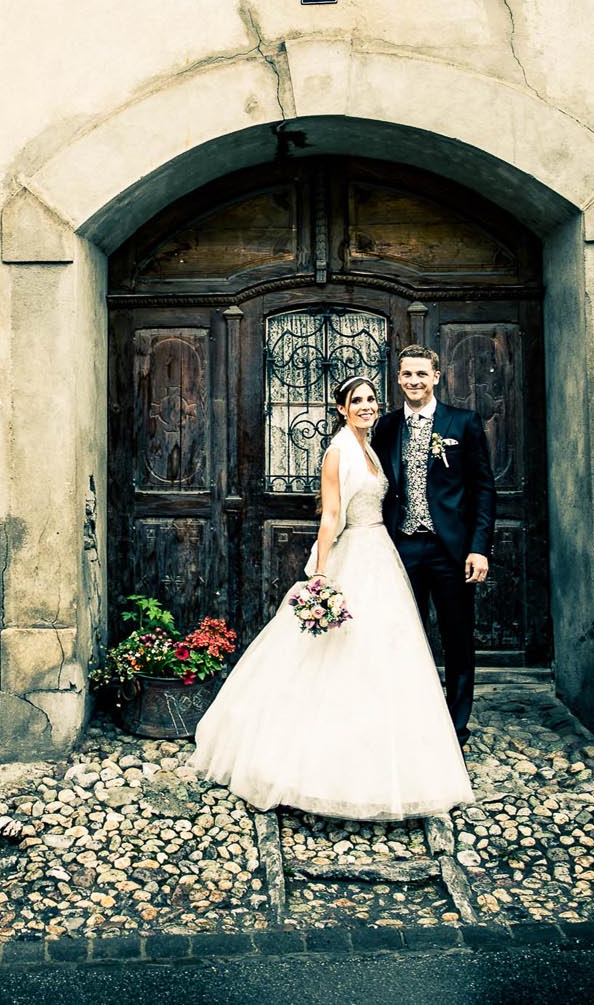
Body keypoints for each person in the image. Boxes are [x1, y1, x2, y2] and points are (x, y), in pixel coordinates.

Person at [192, 376, 473, 821]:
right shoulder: (339, 451)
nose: (365, 406)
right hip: (355, 554)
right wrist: (321, 575)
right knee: (342, 654)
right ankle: (317, 764)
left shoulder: (371, 446)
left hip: (382, 551)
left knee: (388, 654)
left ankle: (390, 751)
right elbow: (332, 516)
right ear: (341, 409)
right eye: (356, 401)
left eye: (370, 399)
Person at [370, 345, 495, 746]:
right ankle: (412, 717)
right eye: (407, 375)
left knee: (458, 638)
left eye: (422, 374)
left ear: (436, 377)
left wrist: (479, 547)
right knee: (404, 635)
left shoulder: (463, 423)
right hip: (402, 547)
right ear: (399, 378)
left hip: (451, 551)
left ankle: (456, 726)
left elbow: (483, 490)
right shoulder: (387, 427)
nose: (414, 382)